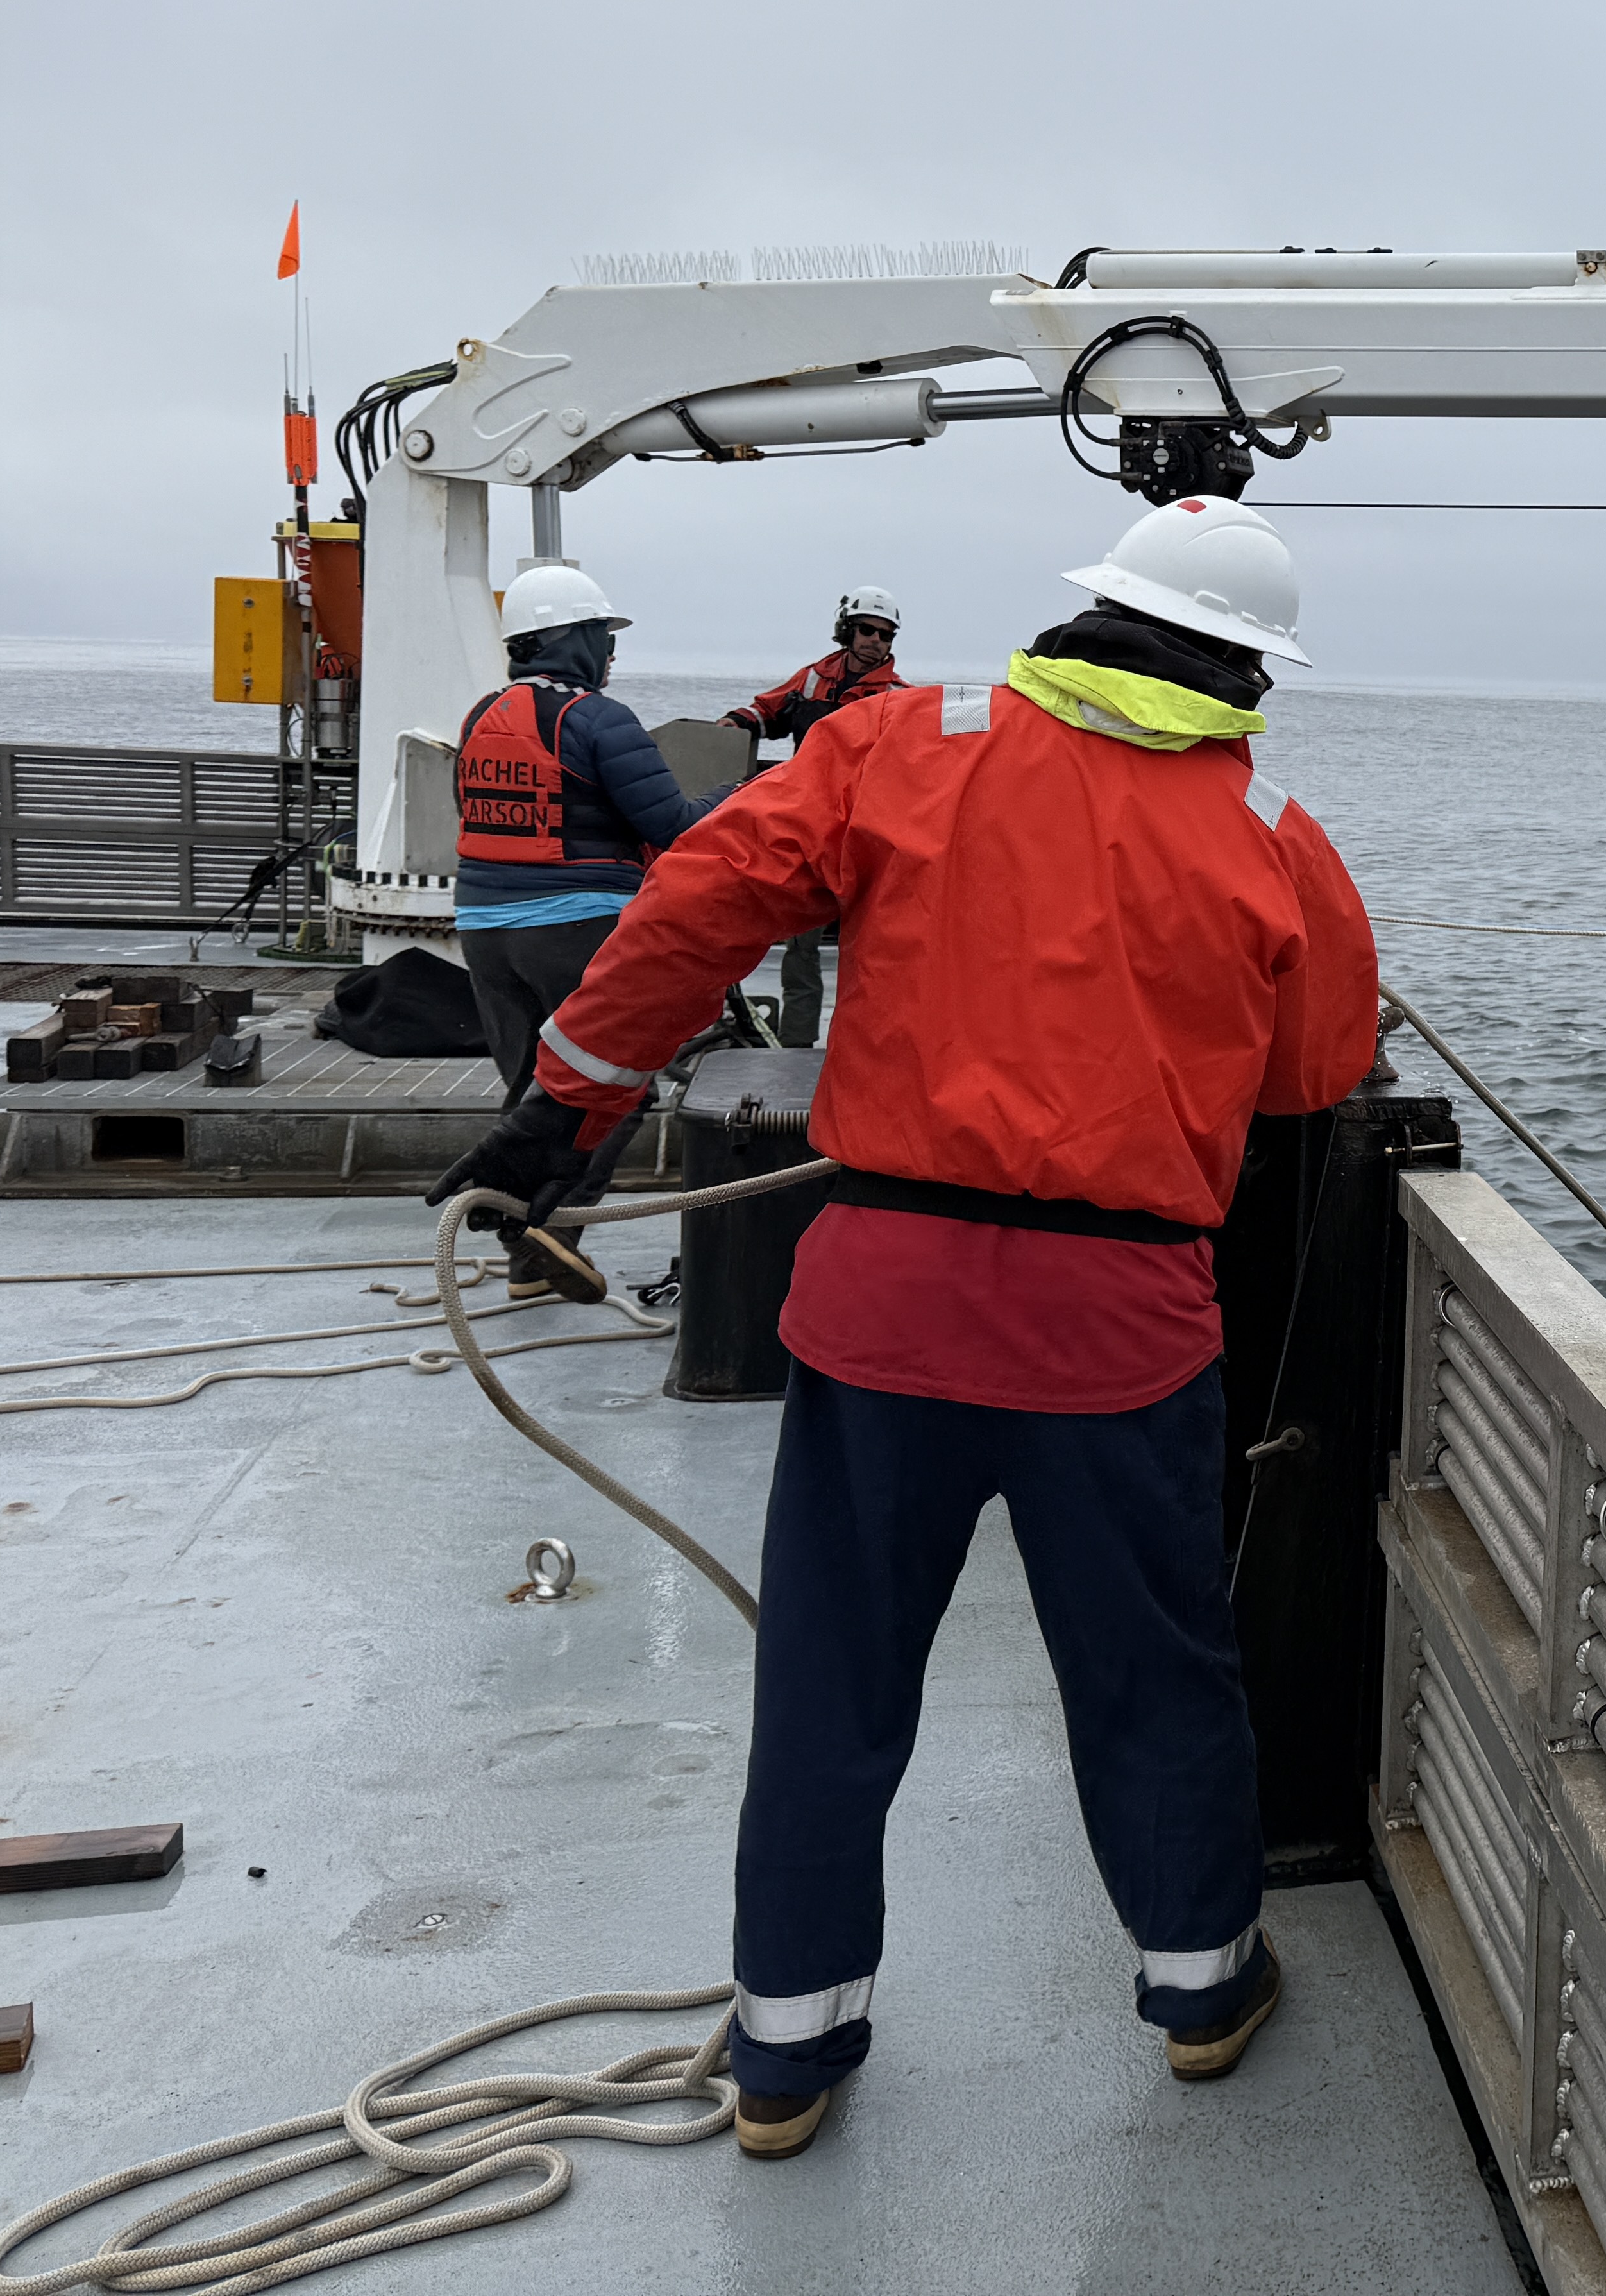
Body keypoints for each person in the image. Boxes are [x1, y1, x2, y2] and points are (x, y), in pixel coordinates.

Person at [429, 496, 1378, 2160]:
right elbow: (1313, 1076)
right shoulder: (1279, 826)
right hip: (1122, 1327)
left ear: (1089, 616)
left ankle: (788, 2050)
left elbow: (695, 909)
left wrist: (551, 1128)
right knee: (1157, 1677)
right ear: (1243, 669)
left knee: (830, 1683)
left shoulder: (899, 744)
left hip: (880, 1302)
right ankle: (1202, 1991)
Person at [450, 561, 717, 1292]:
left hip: (482, 926)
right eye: (603, 635)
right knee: (617, 1087)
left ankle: (522, 1261)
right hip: (578, 926)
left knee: (532, 1093)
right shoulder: (597, 718)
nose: (610, 653)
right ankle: (552, 1232)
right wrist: (744, 792)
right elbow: (672, 825)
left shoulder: (482, 715)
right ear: (570, 639)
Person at [723, 587, 907, 1044]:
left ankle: (866, 1046)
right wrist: (736, 723)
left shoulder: (898, 698)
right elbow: (768, 711)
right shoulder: (811, 680)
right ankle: (797, 1049)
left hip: (866, 836)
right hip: (811, 831)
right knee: (801, 953)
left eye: (885, 635)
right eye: (867, 631)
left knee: (872, 950)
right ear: (848, 631)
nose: (875, 642)